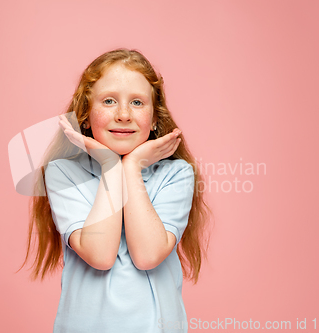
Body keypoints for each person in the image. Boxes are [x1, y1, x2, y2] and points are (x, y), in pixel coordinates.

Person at [17, 48, 212, 332]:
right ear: (85, 116)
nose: (123, 114)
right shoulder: (63, 173)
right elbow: (100, 255)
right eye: (109, 101)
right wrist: (111, 166)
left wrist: (131, 167)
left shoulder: (176, 174)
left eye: (136, 102)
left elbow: (147, 255)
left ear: (155, 119)